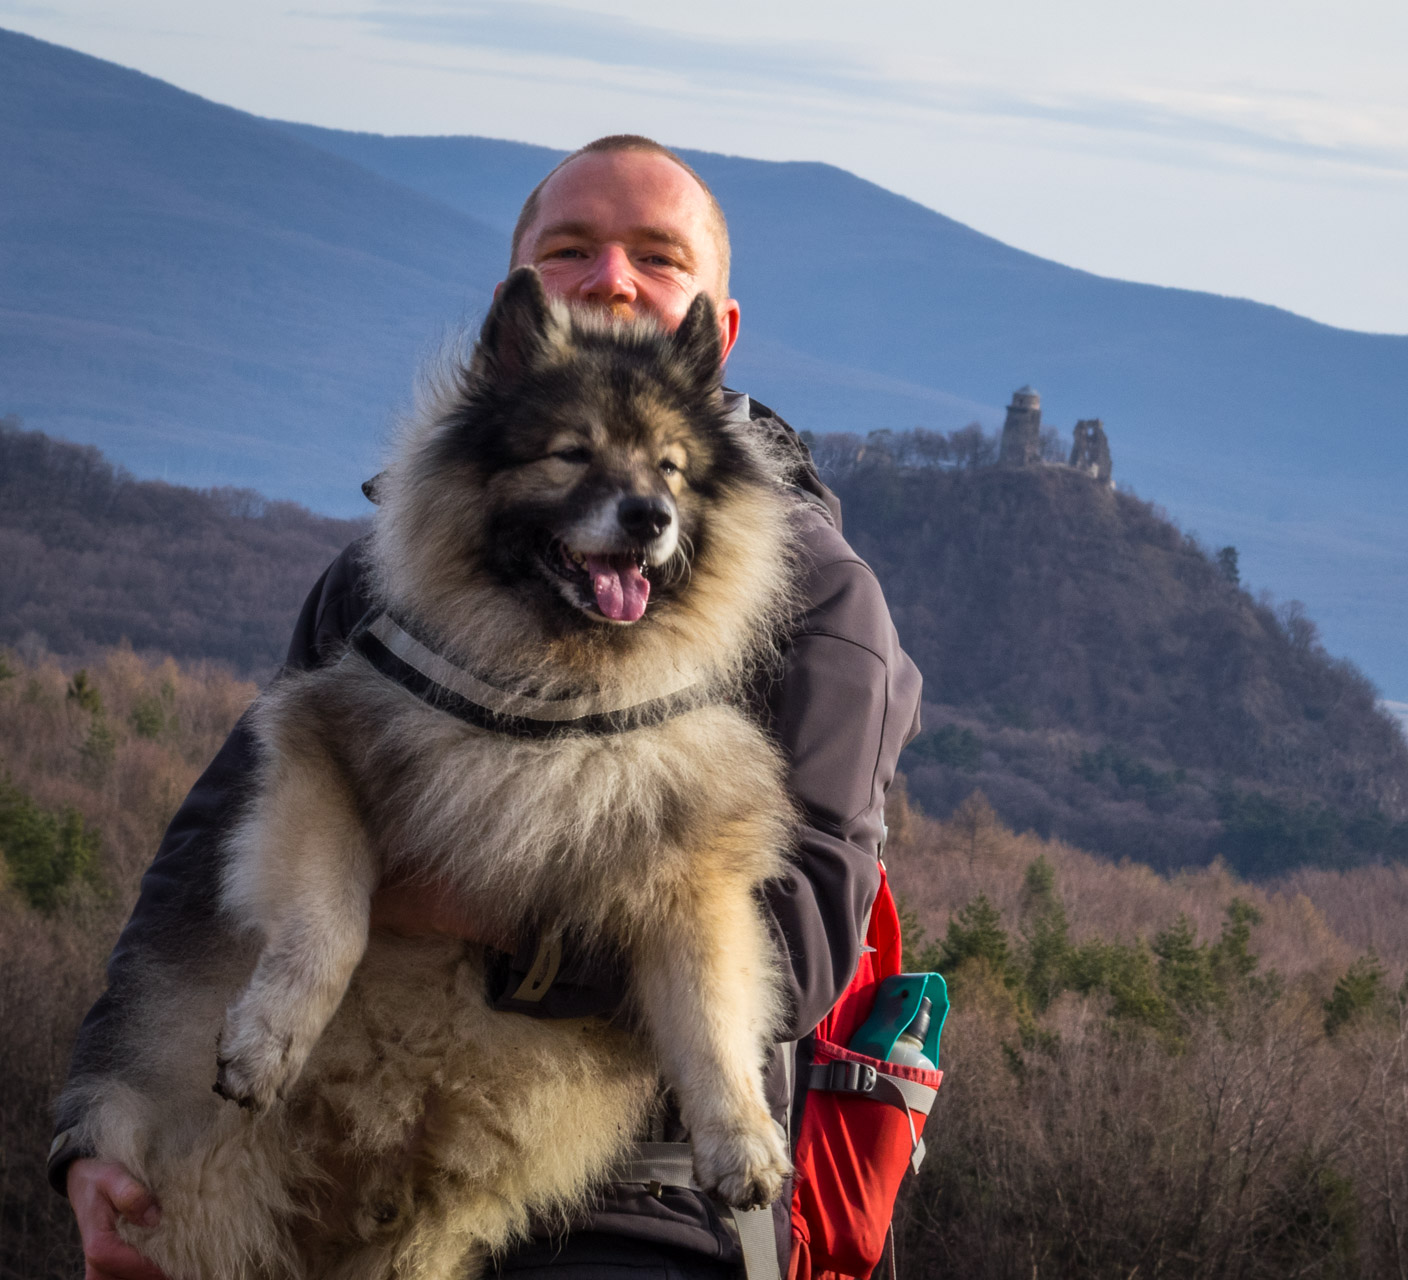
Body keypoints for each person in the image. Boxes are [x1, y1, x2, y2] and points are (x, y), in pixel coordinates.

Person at [51, 135, 923, 1280]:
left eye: (657, 256)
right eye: (572, 247)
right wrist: (92, 1130)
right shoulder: (385, 574)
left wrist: (466, 906)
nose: (611, 275)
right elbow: (205, 854)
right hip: (302, 1120)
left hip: (621, 1195)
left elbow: (802, 940)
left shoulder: (813, 592)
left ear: (717, 330)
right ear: (514, 316)